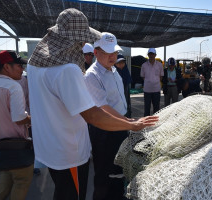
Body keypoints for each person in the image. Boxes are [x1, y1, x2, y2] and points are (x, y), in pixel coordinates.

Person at [27, 8, 158, 200]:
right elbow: (93, 115)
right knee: (73, 194)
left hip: (49, 147)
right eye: (81, 41)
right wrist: (132, 124)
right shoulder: (67, 70)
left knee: (63, 192)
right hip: (68, 152)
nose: (82, 46)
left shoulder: (35, 63)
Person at [84, 32, 134, 200]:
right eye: (107, 52)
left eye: (115, 52)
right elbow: (103, 107)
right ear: (96, 52)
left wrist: (125, 121)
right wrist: (128, 122)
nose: (113, 56)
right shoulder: (92, 75)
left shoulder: (113, 70)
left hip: (119, 124)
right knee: (104, 172)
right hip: (105, 130)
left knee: (118, 169)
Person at [0, 50, 33, 200]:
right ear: (6, 67)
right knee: (21, 182)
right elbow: (19, 117)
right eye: (19, 65)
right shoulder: (13, 87)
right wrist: (34, 119)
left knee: (4, 185)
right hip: (16, 148)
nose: (22, 70)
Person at [140, 48, 164, 116]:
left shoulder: (159, 65)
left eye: (152, 54)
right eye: (150, 54)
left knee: (156, 109)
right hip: (147, 90)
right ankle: (146, 124)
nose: (151, 55)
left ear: (155, 55)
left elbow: (161, 76)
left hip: (156, 90)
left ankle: (156, 123)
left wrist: (155, 82)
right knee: (147, 108)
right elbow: (142, 76)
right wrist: (149, 81)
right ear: (148, 55)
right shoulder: (144, 65)